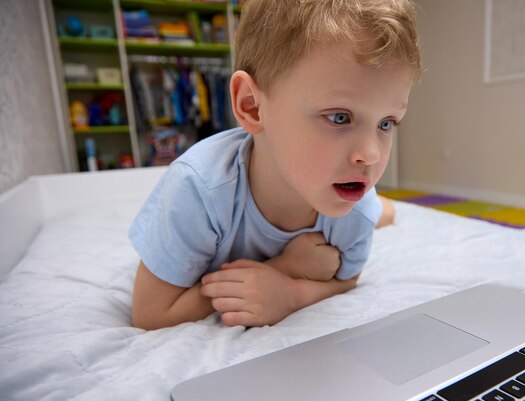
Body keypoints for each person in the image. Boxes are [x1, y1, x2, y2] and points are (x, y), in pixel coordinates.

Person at [129, 0, 421, 330]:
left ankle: (386, 210)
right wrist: (287, 267)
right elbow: (150, 314)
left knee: (375, 211)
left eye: (387, 123)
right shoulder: (198, 189)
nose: (370, 155)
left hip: (356, 199)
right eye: (340, 117)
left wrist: (293, 293)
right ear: (252, 107)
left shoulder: (357, 208)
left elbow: (347, 280)